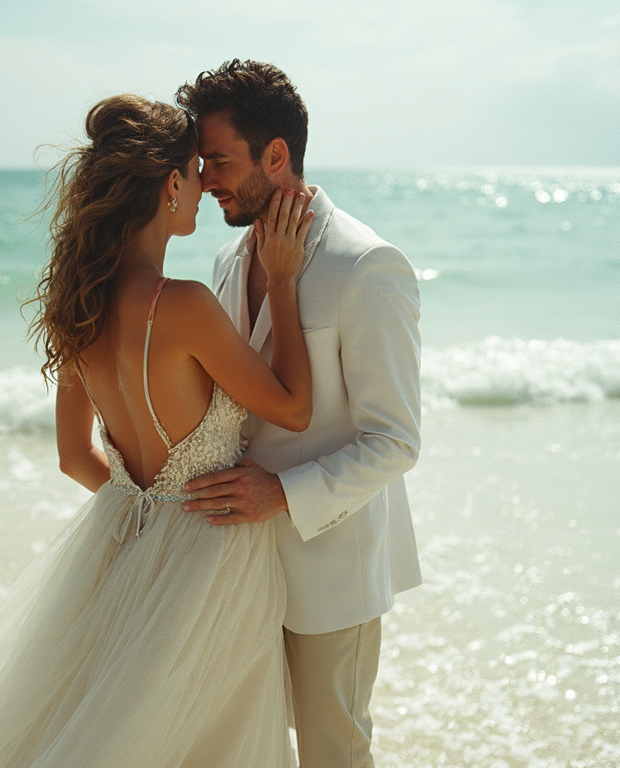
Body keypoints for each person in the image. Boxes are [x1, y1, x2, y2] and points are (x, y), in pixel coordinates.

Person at [0, 94, 315, 767]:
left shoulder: (80, 308)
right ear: (169, 186)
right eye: (195, 169)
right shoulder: (182, 306)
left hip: (125, 549)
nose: (205, 185)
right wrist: (282, 280)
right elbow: (296, 408)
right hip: (214, 558)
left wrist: (150, 514)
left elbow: (75, 457)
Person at [176, 60, 423, 768]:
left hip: (331, 569)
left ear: (275, 155)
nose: (205, 180)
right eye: (201, 164)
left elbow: (395, 441)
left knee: (332, 753)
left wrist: (282, 494)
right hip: (236, 565)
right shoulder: (227, 259)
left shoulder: (365, 264)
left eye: (218, 161)